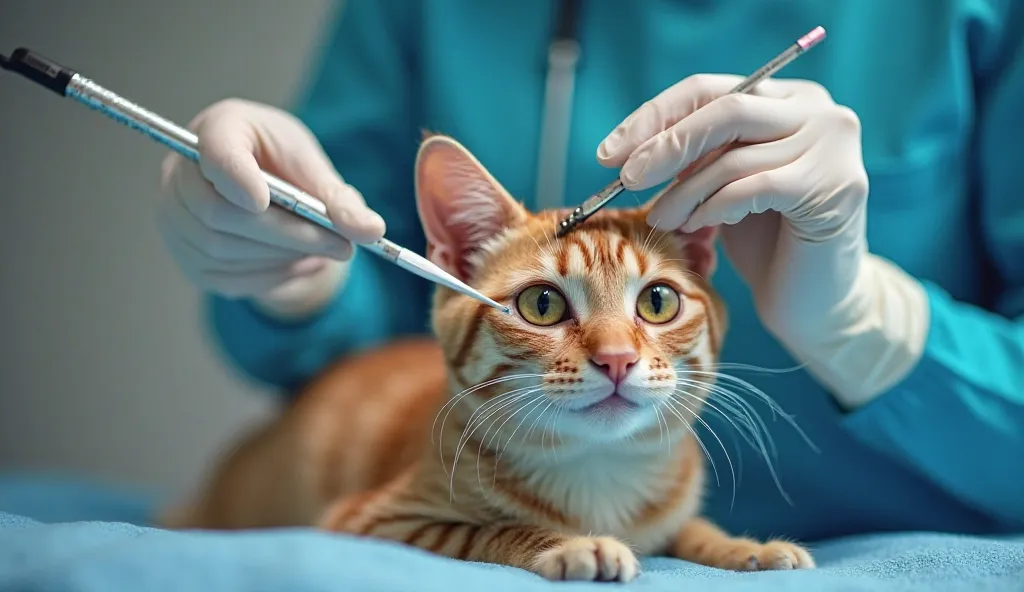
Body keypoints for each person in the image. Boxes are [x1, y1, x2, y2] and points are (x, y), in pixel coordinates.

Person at [156, 0, 1024, 543]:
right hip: (462, 500)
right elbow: (366, 298)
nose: (613, 350)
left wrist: (863, 320)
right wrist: (291, 272)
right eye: (546, 302)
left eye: (654, 300)